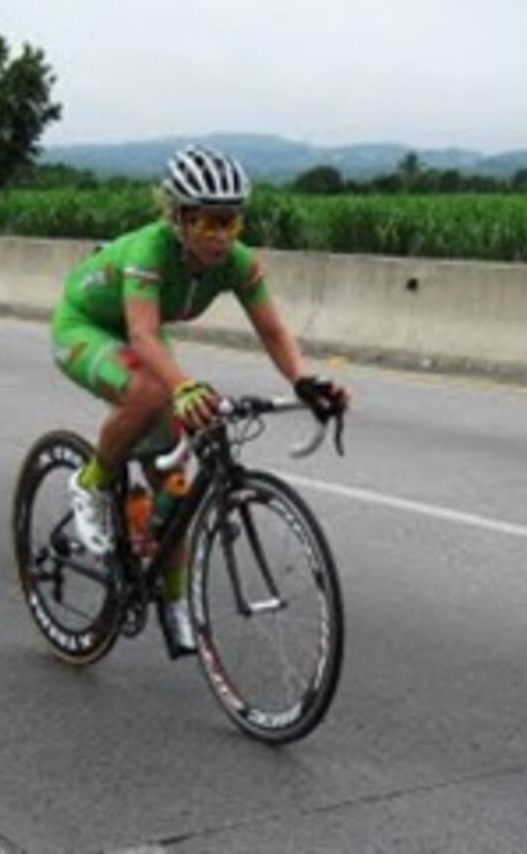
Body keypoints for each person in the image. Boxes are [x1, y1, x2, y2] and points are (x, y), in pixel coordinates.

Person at [50, 144, 350, 656]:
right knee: (149, 391)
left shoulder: (237, 262)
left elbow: (273, 330)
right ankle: (92, 481)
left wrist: (303, 380)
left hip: (140, 334)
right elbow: (143, 337)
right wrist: (182, 386)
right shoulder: (149, 251)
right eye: (208, 223)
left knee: (174, 483)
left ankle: (171, 599)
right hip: (87, 325)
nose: (220, 235)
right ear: (179, 218)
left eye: (230, 222)